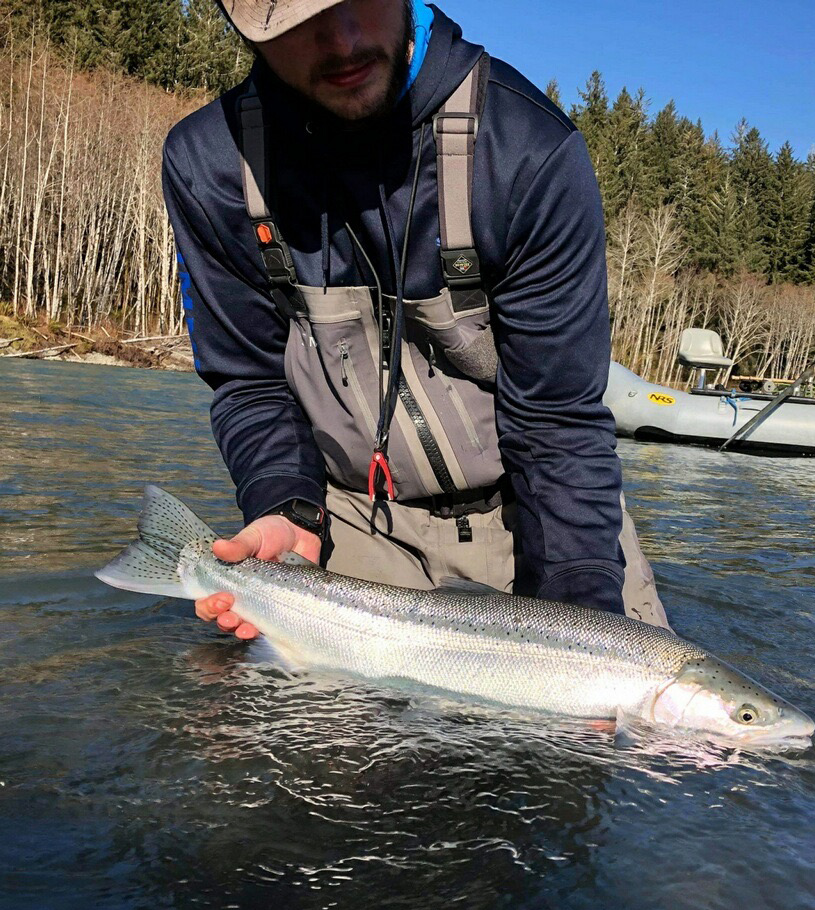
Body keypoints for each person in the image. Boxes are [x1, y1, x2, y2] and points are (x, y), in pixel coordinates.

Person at [162, 0, 670, 640]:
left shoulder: (524, 150)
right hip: (343, 519)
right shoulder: (210, 165)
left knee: (638, 733)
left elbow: (557, 423)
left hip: (531, 513)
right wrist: (285, 506)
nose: (343, 41)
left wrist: (585, 626)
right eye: (294, 21)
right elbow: (250, 381)